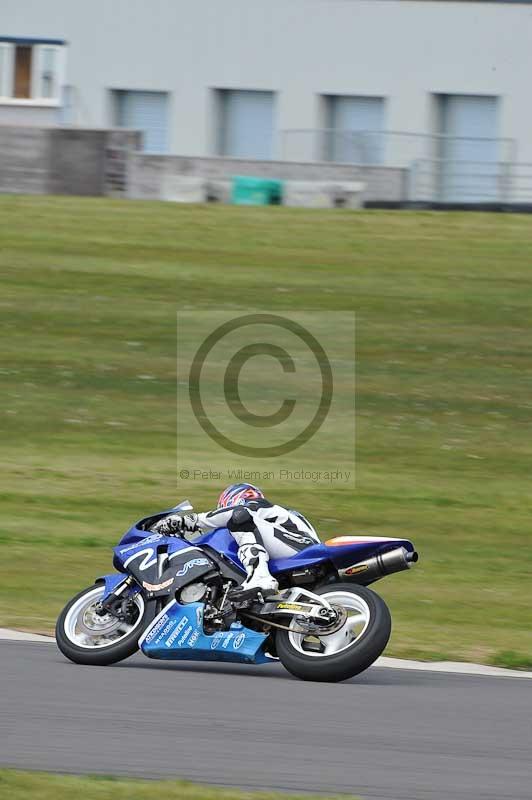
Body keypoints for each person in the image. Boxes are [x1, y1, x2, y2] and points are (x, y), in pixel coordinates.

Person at [151, 483, 320, 595]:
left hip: (300, 548)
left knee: (239, 518)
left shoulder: (256, 505)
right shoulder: (274, 516)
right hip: (296, 549)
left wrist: (188, 521)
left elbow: (236, 513)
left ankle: (260, 577)